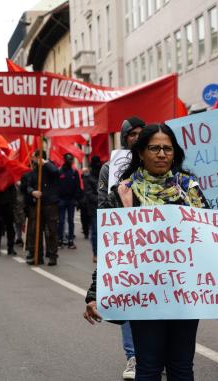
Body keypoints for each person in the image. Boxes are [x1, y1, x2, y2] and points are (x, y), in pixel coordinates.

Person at [85, 123, 207, 381]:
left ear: (175, 153)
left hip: (184, 293)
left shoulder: (190, 189)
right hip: (145, 294)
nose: (162, 154)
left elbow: (209, 240)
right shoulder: (123, 192)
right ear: (141, 153)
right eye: (155, 148)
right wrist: (95, 294)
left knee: (182, 367)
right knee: (149, 367)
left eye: (167, 148)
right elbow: (112, 249)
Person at [96, 116, 145, 380]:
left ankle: (152, 355)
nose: (137, 137)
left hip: (155, 248)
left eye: (141, 133)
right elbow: (104, 207)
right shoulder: (109, 169)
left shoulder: (157, 164)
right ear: (124, 138)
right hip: (126, 246)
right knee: (128, 301)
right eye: (132, 134)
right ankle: (133, 356)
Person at [26, 151, 60, 266]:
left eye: (34, 157)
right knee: (36, 231)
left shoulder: (50, 167)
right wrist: (32, 192)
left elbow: (55, 172)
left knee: (51, 231)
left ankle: (52, 256)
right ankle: (38, 256)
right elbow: (28, 185)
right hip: (38, 204)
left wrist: (45, 162)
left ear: (39, 157)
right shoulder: (35, 170)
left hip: (50, 204)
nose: (32, 159)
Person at [57, 153, 82, 249]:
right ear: (65, 160)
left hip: (71, 200)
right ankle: (60, 239)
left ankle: (70, 240)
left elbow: (77, 186)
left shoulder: (74, 172)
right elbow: (57, 185)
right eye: (69, 159)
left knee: (71, 221)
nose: (71, 161)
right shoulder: (60, 171)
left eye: (72, 159)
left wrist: (77, 199)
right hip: (62, 200)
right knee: (61, 221)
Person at [82, 156, 101, 263]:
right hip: (94, 208)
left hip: (104, 206)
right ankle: (96, 253)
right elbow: (89, 193)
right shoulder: (88, 177)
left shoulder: (103, 174)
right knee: (95, 232)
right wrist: (101, 199)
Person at [79, 166, 90, 239]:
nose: (85, 173)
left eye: (86, 171)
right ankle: (85, 230)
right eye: (84, 172)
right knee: (83, 217)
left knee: (88, 217)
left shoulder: (90, 179)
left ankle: (87, 230)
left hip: (89, 202)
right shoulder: (80, 180)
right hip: (82, 202)